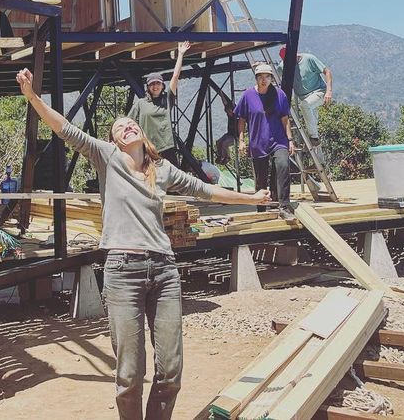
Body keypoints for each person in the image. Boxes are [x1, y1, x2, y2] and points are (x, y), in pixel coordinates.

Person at [17, 68, 269, 420]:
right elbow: (65, 129)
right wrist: (32, 97)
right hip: (123, 272)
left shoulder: (161, 169)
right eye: (119, 128)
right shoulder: (106, 158)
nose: (126, 127)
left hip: (165, 272)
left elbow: (204, 189)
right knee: (130, 375)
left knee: (170, 371)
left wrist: (251, 198)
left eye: (129, 124)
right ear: (115, 140)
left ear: (141, 132)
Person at [235, 63, 295, 218]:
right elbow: (241, 119)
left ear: (271, 78)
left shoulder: (279, 94)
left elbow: (285, 118)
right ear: (256, 78)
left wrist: (290, 139)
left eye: (267, 77)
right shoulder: (248, 95)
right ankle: (261, 208)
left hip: (278, 140)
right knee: (261, 178)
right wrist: (241, 140)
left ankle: (284, 206)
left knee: (283, 165)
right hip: (258, 142)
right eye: (260, 77)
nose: (264, 80)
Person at [127, 41, 190, 168]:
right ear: (148, 86)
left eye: (158, 83)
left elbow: (175, 76)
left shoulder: (167, 99)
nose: (155, 86)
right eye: (152, 84)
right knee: (149, 180)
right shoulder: (141, 104)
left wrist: (181, 54)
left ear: (162, 85)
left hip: (167, 146)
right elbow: (128, 123)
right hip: (147, 147)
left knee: (173, 182)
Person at [290, 50, 333, 148]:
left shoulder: (309, 59)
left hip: (319, 92)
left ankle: (313, 137)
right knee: (313, 126)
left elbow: (327, 71)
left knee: (304, 105)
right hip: (305, 98)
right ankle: (320, 162)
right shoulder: (284, 65)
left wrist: (329, 91)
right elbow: (274, 75)